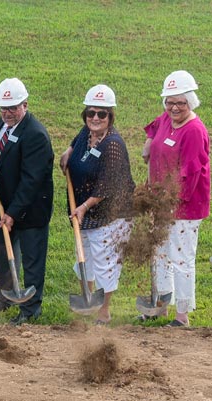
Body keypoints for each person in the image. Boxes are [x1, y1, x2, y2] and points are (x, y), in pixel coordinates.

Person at [59, 85, 135, 325]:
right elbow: (78, 139)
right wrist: (68, 152)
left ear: (110, 116)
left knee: (105, 261)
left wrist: (82, 207)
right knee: (86, 257)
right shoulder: (87, 132)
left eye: (102, 114)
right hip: (87, 211)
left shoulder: (113, 144)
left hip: (111, 213)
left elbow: (107, 185)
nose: (95, 118)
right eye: (91, 113)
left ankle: (104, 310)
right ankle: (87, 300)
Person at [142, 70, 211, 327]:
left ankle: (182, 315)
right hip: (161, 201)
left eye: (180, 103)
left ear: (191, 102)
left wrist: (169, 203)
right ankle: (160, 307)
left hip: (185, 205)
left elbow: (190, 174)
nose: (174, 108)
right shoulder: (167, 118)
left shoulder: (194, 130)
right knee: (160, 254)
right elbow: (154, 126)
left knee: (181, 258)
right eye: (169, 102)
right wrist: (149, 142)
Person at [0, 78, 54, 325]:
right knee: (3, 253)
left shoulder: (35, 134)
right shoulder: (4, 124)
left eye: (13, 108)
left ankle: (30, 309)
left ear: (25, 104)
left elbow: (31, 180)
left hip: (30, 209)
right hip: (4, 204)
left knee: (32, 259)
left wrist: (13, 213)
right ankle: (4, 300)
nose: (7, 113)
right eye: (3, 108)